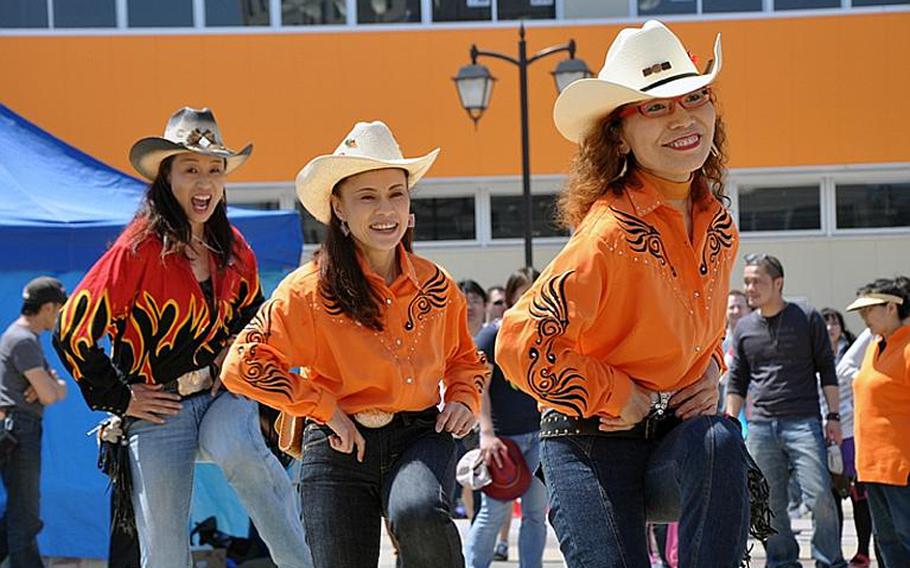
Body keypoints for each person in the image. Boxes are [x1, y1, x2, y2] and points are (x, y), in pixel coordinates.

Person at [495, 20, 760, 568]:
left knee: (720, 439)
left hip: (677, 441)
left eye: (695, 98)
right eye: (655, 107)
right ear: (618, 134)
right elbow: (518, 343)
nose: (684, 118)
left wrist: (711, 368)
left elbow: (703, 332)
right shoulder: (609, 233)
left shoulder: (720, 228)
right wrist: (616, 393)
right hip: (589, 442)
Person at [221, 120, 489, 568]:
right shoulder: (306, 290)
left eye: (396, 194)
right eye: (367, 196)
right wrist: (323, 408)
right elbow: (242, 364)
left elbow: (466, 359)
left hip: (420, 435)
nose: (385, 209)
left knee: (418, 511)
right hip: (335, 444)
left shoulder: (437, 286)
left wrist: (463, 396)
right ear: (338, 209)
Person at [52, 108, 310, 568]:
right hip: (159, 409)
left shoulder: (235, 247)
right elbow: (72, 330)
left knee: (242, 452)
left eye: (215, 170)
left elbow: (257, 317)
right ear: (166, 177)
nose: (205, 183)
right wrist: (120, 397)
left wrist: (236, 350)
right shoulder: (136, 250)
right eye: (190, 170)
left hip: (221, 395)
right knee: (165, 552)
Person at [726, 253, 846, 568]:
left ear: (778, 283)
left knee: (819, 493)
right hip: (761, 425)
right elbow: (737, 381)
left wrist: (833, 417)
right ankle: (781, 560)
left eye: (757, 281)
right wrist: (729, 425)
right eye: (747, 281)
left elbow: (827, 370)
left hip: (803, 421)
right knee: (769, 500)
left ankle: (829, 560)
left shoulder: (807, 317)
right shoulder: (744, 328)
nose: (749, 288)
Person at [465, 267, 546, 568]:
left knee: (536, 514)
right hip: (502, 441)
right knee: (493, 512)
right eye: (522, 291)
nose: (529, 297)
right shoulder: (492, 335)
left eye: (535, 289)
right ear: (511, 296)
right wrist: (486, 434)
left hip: (539, 437)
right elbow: (479, 389)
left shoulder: (546, 334)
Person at [0, 277, 68, 567]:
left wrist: (49, 386)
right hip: (19, 429)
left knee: (19, 512)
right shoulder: (24, 340)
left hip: (19, 426)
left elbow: (57, 389)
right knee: (25, 515)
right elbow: (51, 394)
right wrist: (48, 387)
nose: (59, 317)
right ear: (48, 307)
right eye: (58, 310)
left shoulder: (24, 339)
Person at [846, 277, 910, 566]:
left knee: (905, 536)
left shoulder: (908, 348)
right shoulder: (874, 346)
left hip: (902, 467)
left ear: (892, 308)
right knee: (886, 542)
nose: (863, 317)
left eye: (870, 310)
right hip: (871, 466)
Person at [718, 289, 751, 412]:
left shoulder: (760, 339)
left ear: (748, 310)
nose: (736, 311)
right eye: (732, 307)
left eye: (740, 307)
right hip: (723, 410)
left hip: (754, 412)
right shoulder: (718, 343)